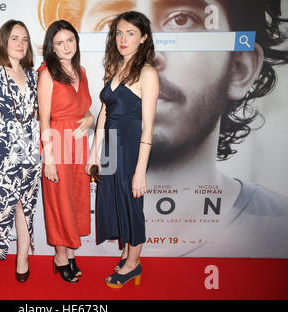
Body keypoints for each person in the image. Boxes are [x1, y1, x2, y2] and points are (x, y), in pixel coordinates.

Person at [39, 0, 288, 258]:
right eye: (112, 26)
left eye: (182, 19)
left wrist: (137, 170)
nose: (151, 53)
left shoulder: (277, 229)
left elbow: (143, 128)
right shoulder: (47, 217)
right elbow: (102, 112)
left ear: (239, 67)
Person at [86, 11, 159, 288]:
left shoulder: (147, 73)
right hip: (111, 150)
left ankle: (132, 265)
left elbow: (149, 127)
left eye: (130, 33)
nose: (123, 39)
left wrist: (140, 172)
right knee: (116, 202)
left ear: (143, 38)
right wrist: (95, 151)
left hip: (130, 149)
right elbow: (105, 111)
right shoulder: (116, 67)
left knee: (132, 205)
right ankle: (128, 255)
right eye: (118, 33)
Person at [0, 20, 41, 286]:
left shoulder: (34, 76)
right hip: (0, 160)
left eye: (25, 39)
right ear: (4, 41)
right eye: (15, 38)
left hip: (31, 159)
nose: (21, 44)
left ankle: (22, 258)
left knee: (26, 211)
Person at [38, 20, 94, 283]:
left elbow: (86, 108)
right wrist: (48, 158)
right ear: (52, 47)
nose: (66, 46)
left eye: (70, 40)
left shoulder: (81, 71)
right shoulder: (47, 73)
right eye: (59, 43)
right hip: (57, 143)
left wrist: (91, 120)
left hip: (79, 145)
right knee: (59, 202)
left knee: (75, 199)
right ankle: (61, 256)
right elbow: (43, 118)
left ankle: (70, 251)